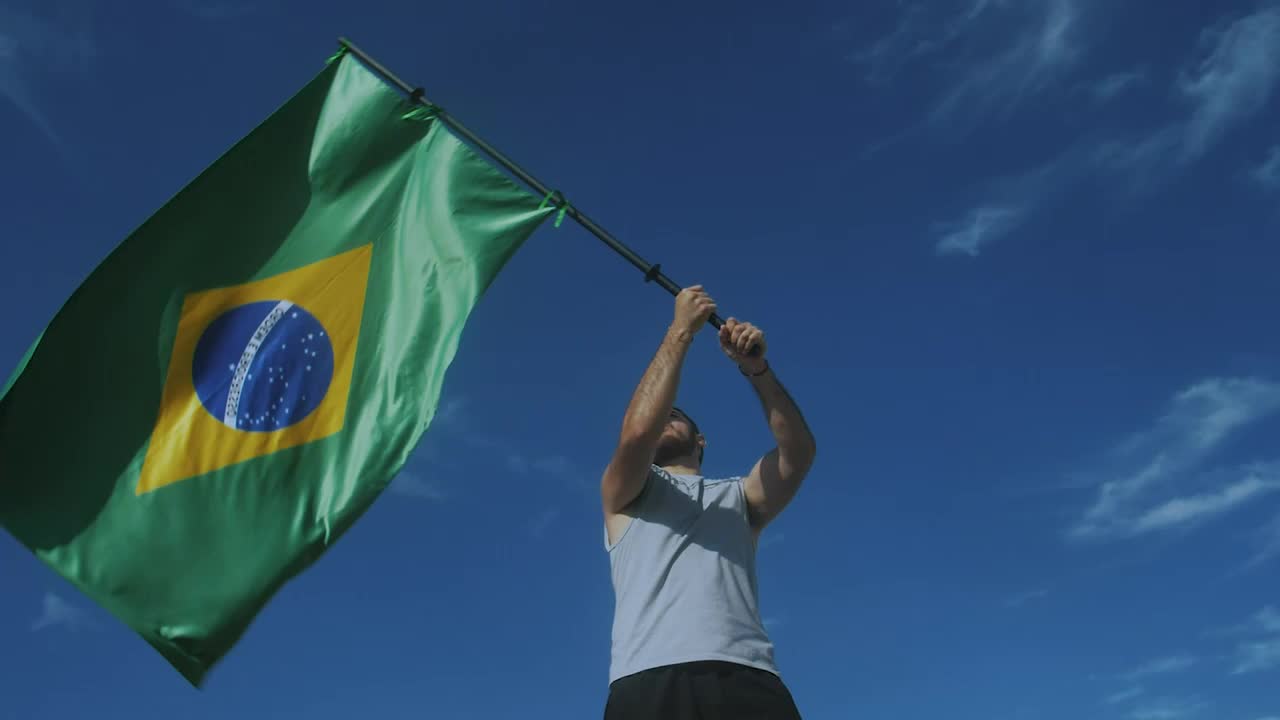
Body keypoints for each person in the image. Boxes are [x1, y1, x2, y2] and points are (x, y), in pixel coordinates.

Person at [600, 284, 817, 719]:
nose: (669, 415)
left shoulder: (740, 497)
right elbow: (638, 431)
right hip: (648, 678)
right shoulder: (623, 495)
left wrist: (756, 369)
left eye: (678, 415)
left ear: (701, 441)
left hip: (748, 678)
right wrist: (680, 330)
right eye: (664, 412)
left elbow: (798, 453)